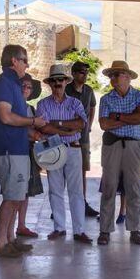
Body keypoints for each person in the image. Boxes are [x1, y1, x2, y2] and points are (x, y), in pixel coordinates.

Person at [0, 44, 47, 258]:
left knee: (16, 197)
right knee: (11, 198)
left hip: (17, 150)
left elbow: (16, 121)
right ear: (14, 60)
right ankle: (1, 243)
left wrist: (34, 134)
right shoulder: (3, 83)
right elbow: (5, 117)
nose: (27, 65)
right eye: (25, 60)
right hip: (9, 151)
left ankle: (11, 239)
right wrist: (33, 120)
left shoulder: (13, 84)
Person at [36, 64, 92, 243]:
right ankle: (59, 228)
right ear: (50, 84)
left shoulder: (75, 102)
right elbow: (43, 127)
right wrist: (66, 128)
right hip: (52, 150)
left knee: (76, 191)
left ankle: (79, 231)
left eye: (60, 80)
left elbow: (81, 124)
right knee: (55, 190)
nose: (57, 83)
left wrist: (56, 125)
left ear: (65, 82)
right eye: (54, 80)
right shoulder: (42, 104)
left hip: (74, 149)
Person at [97, 60, 140, 246]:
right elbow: (104, 124)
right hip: (112, 146)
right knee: (109, 187)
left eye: (116, 75)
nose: (112, 79)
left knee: (133, 187)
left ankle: (135, 229)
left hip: (134, 146)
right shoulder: (106, 99)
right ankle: (105, 230)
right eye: (111, 75)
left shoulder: (139, 96)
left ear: (127, 77)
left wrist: (117, 117)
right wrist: (130, 118)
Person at [65, 61, 99, 217]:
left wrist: (89, 125)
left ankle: (82, 203)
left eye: (86, 72)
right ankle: (59, 206)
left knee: (82, 172)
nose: (84, 75)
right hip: (65, 137)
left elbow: (92, 108)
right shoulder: (66, 90)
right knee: (62, 171)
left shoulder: (89, 91)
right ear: (73, 73)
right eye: (81, 72)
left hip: (83, 138)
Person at [15, 74, 44, 239]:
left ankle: (21, 225)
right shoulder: (12, 108)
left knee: (25, 191)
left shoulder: (30, 109)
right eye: (23, 86)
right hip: (16, 152)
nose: (26, 89)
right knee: (15, 192)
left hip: (28, 152)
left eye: (29, 87)